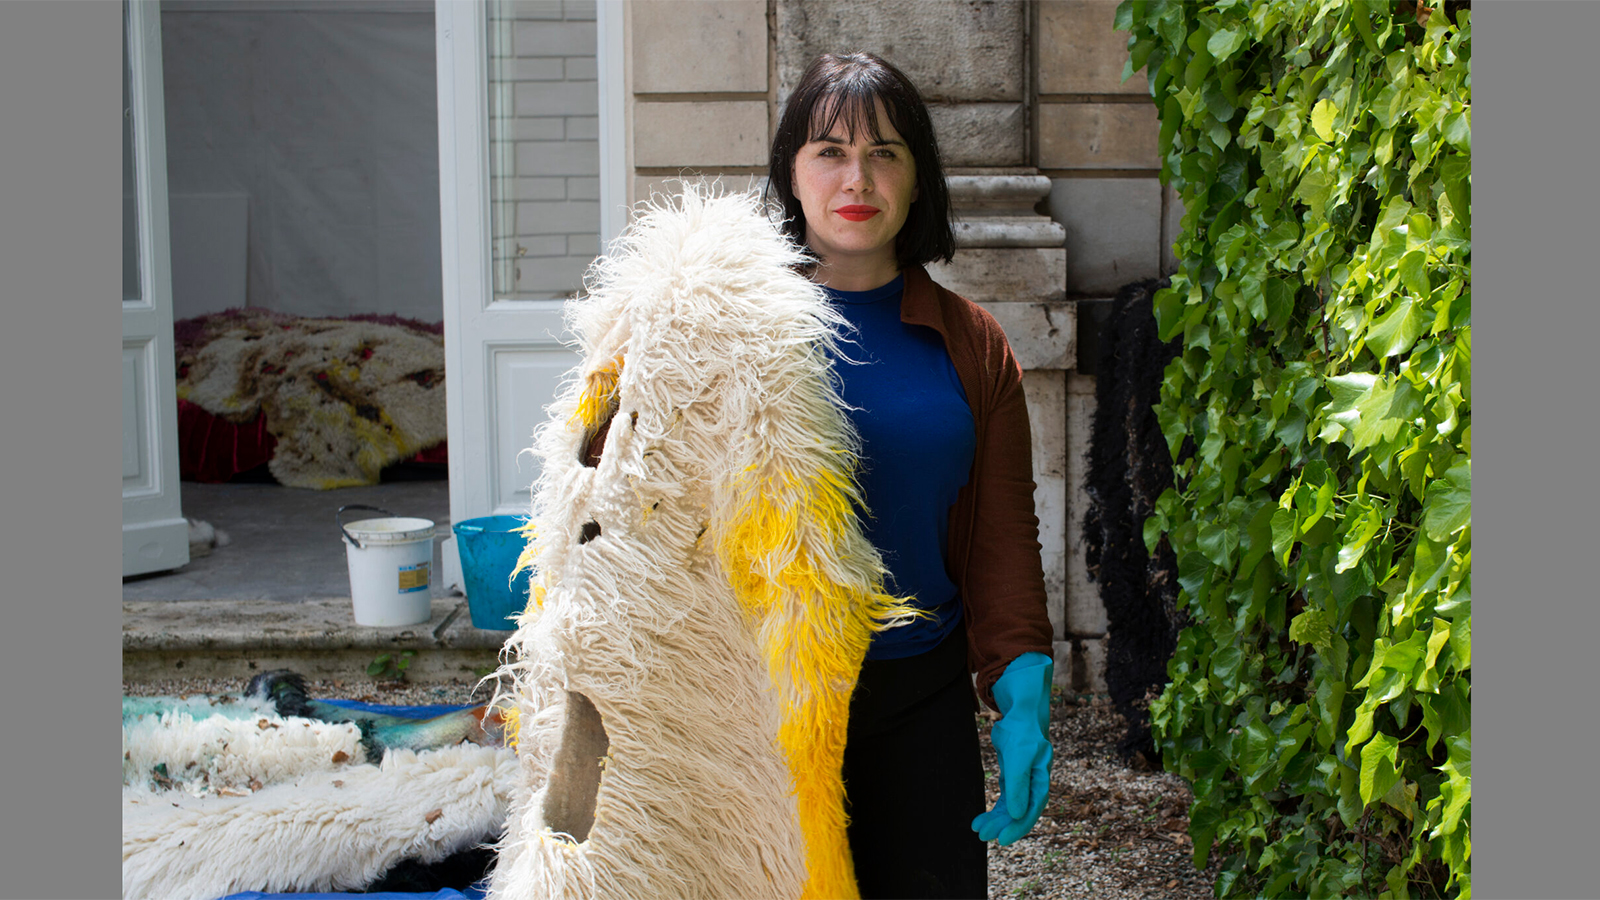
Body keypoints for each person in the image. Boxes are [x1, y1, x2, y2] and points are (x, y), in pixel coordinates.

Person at [765, 52, 1057, 899]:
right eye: (829, 151)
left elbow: (1003, 535)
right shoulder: (730, 333)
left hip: (918, 695)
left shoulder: (973, 344)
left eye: (885, 152)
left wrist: (1023, 681)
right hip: (768, 704)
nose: (858, 176)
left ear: (919, 178)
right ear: (791, 173)